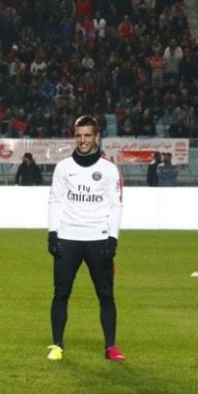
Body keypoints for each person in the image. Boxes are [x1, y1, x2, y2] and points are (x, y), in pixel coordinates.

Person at [47, 115, 124, 362]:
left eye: (87, 135)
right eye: (79, 135)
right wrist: (52, 232)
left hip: (98, 239)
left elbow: (116, 205)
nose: (83, 141)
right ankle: (57, 345)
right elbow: (55, 200)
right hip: (68, 238)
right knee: (61, 293)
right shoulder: (63, 168)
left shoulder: (109, 170)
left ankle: (110, 347)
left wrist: (113, 237)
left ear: (96, 137)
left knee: (106, 295)